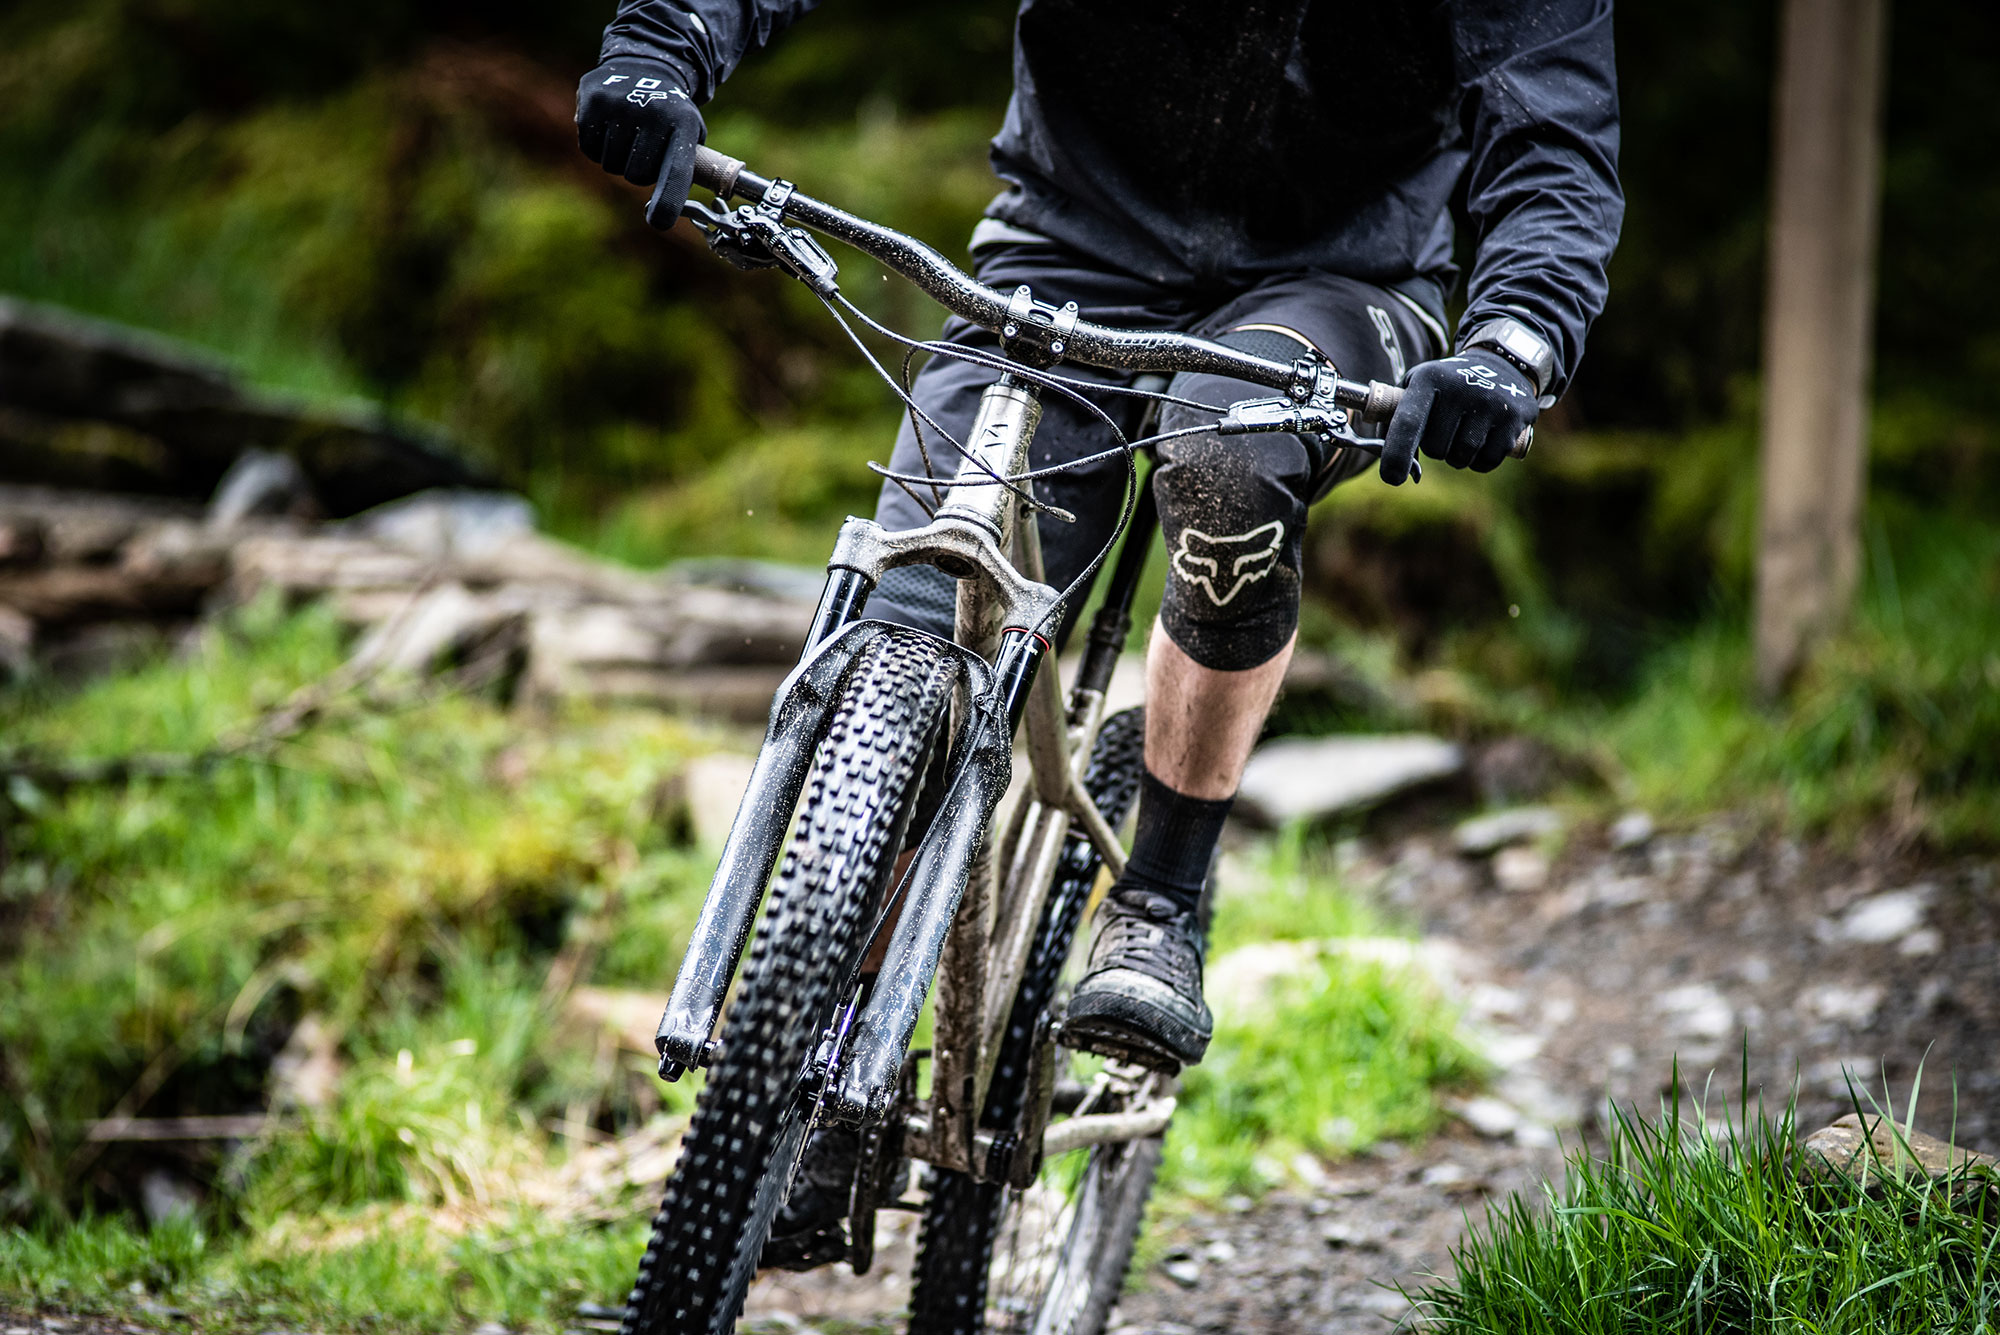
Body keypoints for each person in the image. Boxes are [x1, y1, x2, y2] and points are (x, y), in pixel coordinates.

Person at [577, 0, 1621, 1265]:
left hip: (1339, 285)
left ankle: (1160, 901)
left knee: (1224, 464)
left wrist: (1513, 338)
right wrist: (666, 42)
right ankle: (829, 1042)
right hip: (1062, 250)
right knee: (920, 607)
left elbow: (1552, 137)